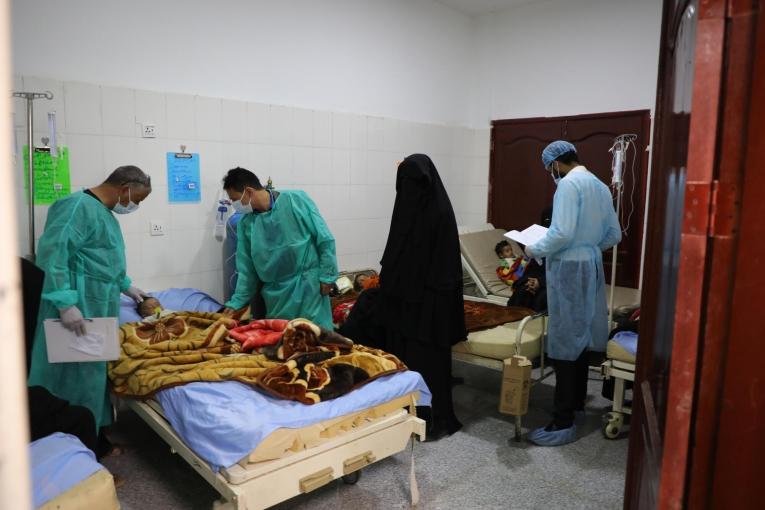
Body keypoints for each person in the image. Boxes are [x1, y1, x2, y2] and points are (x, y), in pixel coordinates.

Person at [27, 165, 152, 451]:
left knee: (92, 379)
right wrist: (64, 302)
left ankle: (94, 439)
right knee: (71, 382)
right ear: (124, 189)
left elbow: (104, 261)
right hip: (75, 311)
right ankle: (71, 450)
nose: (134, 206)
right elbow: (53, 254)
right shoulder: (76, 207)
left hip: (97, 307)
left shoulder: (104, 216)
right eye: (137, 199)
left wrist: (126, 286)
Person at [341, 154, 465, 440]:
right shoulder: (433, 208)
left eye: (412, 182)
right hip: (418, 305)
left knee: (422, 362)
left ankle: (426, 419)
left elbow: (414, 265)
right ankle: (412, 415)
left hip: (422, 307)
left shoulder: (428, 214)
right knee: (417, 361)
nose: (408, 188)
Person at [524, 141, 621, 446]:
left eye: (549, 169)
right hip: (590, 266)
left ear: (555, 164)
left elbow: (562, 232)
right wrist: (588, 247)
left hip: (568, 268)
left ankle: (562, 421)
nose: (551, 173)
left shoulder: (568, 185)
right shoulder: (600, 186)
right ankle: (577, 407)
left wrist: (532, 248)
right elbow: (614, 235)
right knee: (580, 338)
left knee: (565, 341)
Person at [221, 167, 338, 329]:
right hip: (277, 297)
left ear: (248, 191)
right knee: (284, 343)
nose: (235, 205)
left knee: (318, 340)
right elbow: (247, 270)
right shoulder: (246, 224)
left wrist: (328, 275)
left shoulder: (296, 200)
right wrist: (237, 302)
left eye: (235, 199)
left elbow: (324, 239)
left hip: (308, 289)